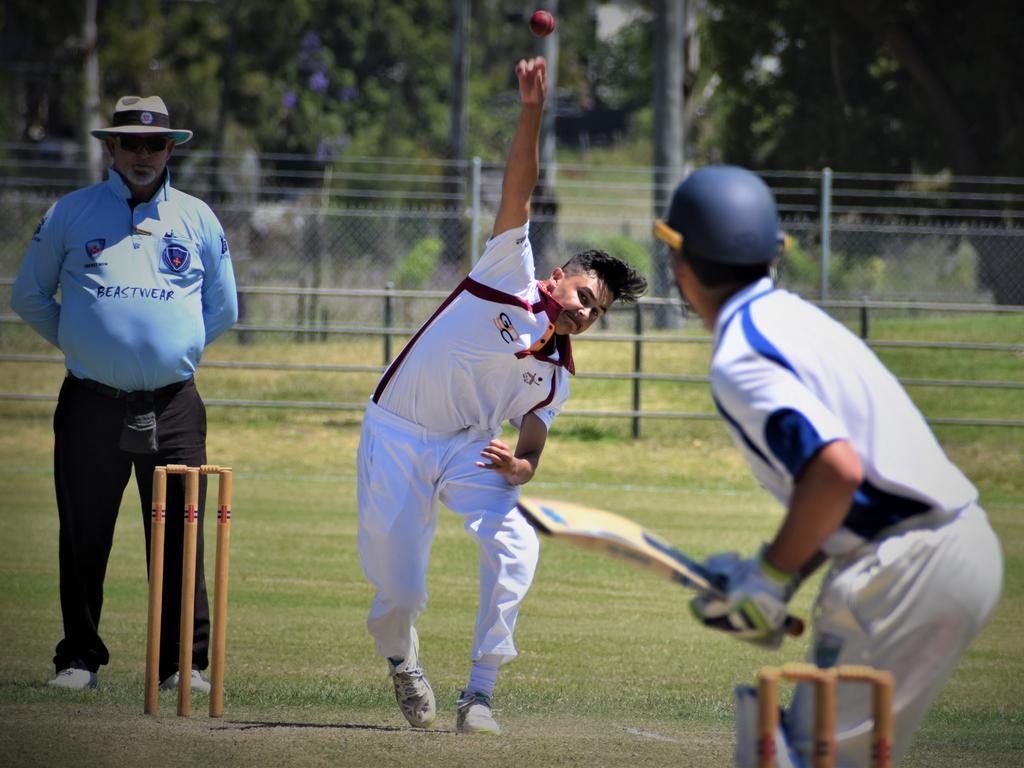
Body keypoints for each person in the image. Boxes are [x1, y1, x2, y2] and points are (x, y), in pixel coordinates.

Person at [654, 165, 1003, 766]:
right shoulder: (795, 319)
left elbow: (836, 472)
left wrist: (765, 578)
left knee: (797, 759)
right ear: (774, 254)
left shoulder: (740, 355)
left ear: (682, 268)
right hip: (949, 547)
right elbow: (851, 485)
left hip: (903, 567)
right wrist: (780, 578)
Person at [357, 57, 647, 735]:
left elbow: (533, 441)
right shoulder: (505, 273)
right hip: (396, 433)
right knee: (399, 591)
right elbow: (520, 186)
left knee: (519, 544)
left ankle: (479, 694)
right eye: (583, 295)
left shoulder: (557, 373)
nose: (584, 313)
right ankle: (402, 659)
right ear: (554, 278)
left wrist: (522, 468)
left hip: (466, 450)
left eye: (596, 312)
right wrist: (532, 110)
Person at [10, 95, 238, 691]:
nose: (142, 154)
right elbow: (29, 297)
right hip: (90, 400)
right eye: (130, 143)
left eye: (154, 144)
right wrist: (90, 348)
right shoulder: (70, 213)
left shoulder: (198, 218)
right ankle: (78, 659)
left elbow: (223, 308)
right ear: (110, 147)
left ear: (171, 149)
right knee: (84, 532)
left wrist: (174, 352)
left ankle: (183, 666)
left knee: (182, 534)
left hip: (175, 403)